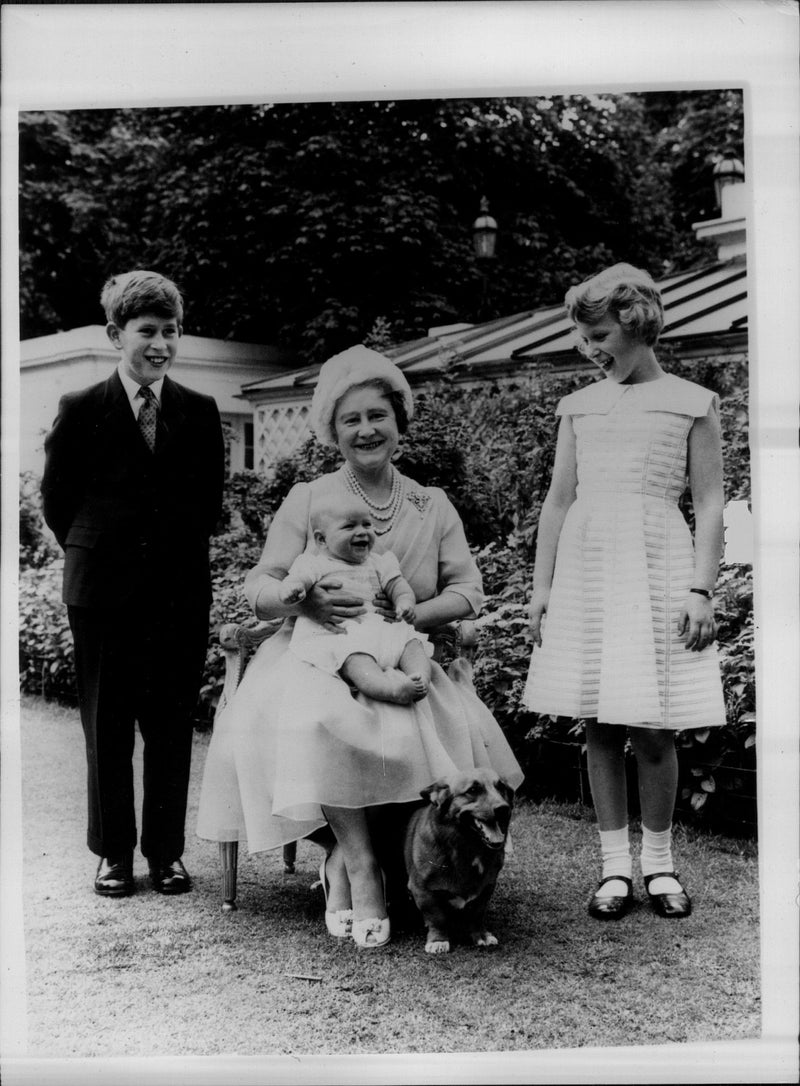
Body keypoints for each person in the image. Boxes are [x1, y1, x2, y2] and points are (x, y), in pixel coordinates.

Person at [197, 345, 523, 948]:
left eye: (379, 415)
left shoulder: (432, 504)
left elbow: (468, 590)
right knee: (322, 716)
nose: (366, 430)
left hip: (403, 650)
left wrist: (404, 617)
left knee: (424, 713)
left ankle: (417, 861)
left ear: (399, 423)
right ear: (332, 430)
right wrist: (306, 603)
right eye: (351, 419)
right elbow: (261, 584)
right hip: (315, 653)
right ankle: (356, 863)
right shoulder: (309, 499)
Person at [523, 263, 726, 921]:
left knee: (654, 724)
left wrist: (700, 589)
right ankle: (614, 869)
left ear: (636, 323)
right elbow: (557, 502)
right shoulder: (578, 407)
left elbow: (710, 502)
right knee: (600, 724)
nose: (591, 349)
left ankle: (660, 866)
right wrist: (542, 587)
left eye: (600, 334)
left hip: (657, 563)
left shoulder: (692, 402)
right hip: (589, 568)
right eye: (583, 339)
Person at [41, 270, 225, 898]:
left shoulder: (199, 413)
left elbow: (208, 503)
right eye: (147, 331)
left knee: (171, 726)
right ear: (117, 334)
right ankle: (114, 853)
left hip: (177, 595)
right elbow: (57, 502)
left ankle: (166, 854)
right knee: (108, 726)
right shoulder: (81, 408)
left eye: (171, 332)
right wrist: (101, 551)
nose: (161, 344)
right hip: (101, 596)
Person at [280, 494, 433, 704]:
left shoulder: (379, 563)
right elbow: (300, 579)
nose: (362, 532)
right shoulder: (316, 564)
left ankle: (419, 679)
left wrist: (404, 602)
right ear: (322, 540)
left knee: (412, 643)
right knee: (355, 659)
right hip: (341, 634)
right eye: (349, 526)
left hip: (382, 630)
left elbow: (398, 586)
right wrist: (294, 589)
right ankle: (390, 689)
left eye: (367, 525)